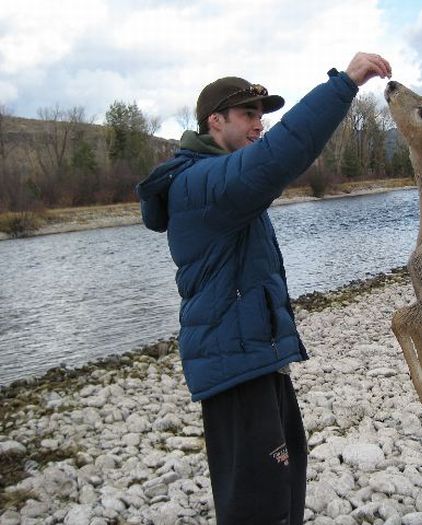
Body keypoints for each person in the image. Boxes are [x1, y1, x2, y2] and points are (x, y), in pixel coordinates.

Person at [136, 52, 392, 524]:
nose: (260, 124)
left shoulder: (222, 182)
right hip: (235, 370)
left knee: (283, 494)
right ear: (214, 121)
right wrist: (345, 84)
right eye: (248, 114)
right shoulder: (201, 184)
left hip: (257, 357)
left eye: (262, 114)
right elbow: (280, 157)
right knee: (259, 506)